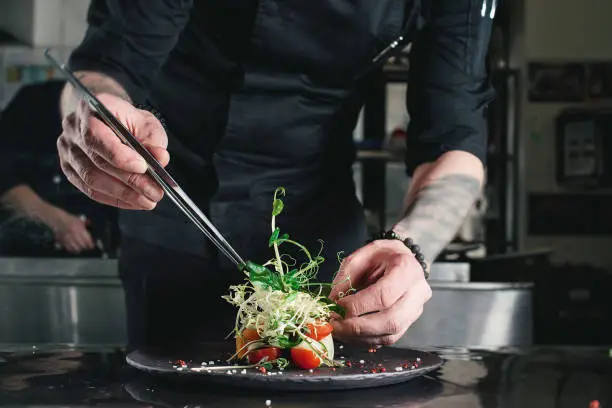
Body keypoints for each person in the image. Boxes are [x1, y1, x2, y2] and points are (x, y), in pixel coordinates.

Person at [57, 0, 495, 351]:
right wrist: (92, 115)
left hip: (324, 245)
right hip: (174, 209)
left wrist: (412, 248)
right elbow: (106, 68)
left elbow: (455, 138)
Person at [0, 80, 117, 257]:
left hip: (100, 262)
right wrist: (56, 220)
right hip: (26, 259)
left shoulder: (138, 114)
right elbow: (4, 177)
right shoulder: (34, 101)